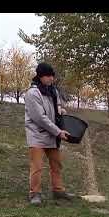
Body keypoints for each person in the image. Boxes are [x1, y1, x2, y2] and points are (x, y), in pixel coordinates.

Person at [24, 62, 75, 205]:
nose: (51, 78)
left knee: (56, 164)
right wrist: (58, 132)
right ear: (40, 76)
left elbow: (56, 106)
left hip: (52, 135)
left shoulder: (53, 90)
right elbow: (40, 118)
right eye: (48, 76)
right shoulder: (32, 93)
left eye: (52, 75)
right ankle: (34, 194)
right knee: (37, 166)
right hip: (37, 135)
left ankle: (58, 191)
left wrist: (61, 111)